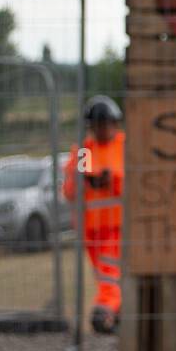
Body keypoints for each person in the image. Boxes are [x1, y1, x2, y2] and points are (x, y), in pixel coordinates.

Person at [63, 96, 126, 334]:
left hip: (117, 226)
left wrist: (113, 180)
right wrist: (86, 180)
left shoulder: (124, 146)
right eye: (97, 125)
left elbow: (137, 185)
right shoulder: (83, 151)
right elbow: (70, 191)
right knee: (106, 277)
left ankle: (104, 313)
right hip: (92, 230)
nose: (102, 129)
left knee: (110, 276)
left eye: (106, 123)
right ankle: (117, 314)